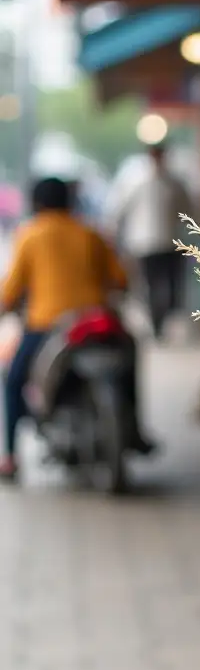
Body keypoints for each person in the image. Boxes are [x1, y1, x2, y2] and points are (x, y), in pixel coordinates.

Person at [0, 177, 148, 481]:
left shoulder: (29, 234)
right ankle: (136, 429)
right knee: (131, 355)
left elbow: (11, 288)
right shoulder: (91, 233)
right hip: (96, 323)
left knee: (13, 380)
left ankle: (11, 457)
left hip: (47, 327)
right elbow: (120, 278)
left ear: (37, 204)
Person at [108, 144, 195, 340]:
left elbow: (189, 209)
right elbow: (119, 209)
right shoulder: (135, 180)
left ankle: (162, 318)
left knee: (170, 287)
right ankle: (157, 322)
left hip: (171, 243)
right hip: (144, 244)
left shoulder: (174, 182)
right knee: (152, 285)